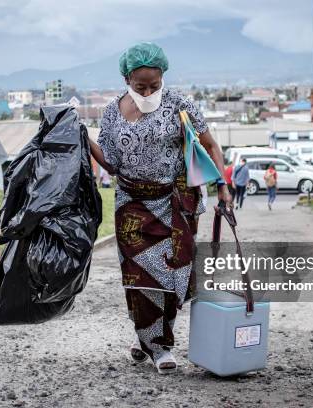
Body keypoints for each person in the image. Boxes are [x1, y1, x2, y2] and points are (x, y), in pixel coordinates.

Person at [88, 42, 232, 374]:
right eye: (141, 86)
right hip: (132, 206)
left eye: (155, 84)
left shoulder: (181, 105)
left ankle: (148, 338)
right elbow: (110, 162)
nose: (149, 91)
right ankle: (158, 347)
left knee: (176, 275)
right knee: (142, 279)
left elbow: (210, 145)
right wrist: (84, 139)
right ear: (126, 79)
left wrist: (222, 185)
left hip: (174, 202)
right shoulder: (112, 113)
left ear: (163, 76)